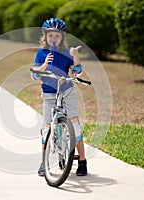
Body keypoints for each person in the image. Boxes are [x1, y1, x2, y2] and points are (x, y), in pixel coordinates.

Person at [32, 18, 87, 176]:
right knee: (46, 129)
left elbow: (76, 72)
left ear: (62, 37)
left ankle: (82, 160)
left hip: (67, 91)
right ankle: (44, 161)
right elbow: (35, 75)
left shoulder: (67, 51)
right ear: (45, 36)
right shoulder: (42, 52)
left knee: (75, 125)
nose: (53, 39)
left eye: (57, 36)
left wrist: (75, 56)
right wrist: (44, 65)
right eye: (50, 36)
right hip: (49, 94)